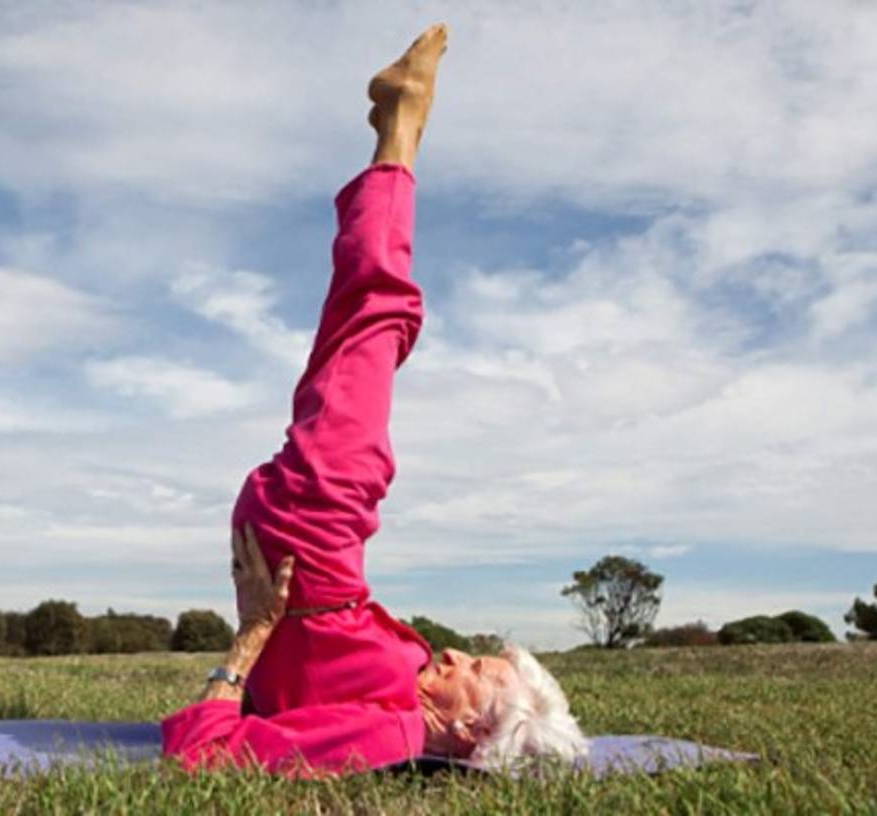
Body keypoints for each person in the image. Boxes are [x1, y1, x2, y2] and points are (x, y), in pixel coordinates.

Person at [161, 23, 587, 776]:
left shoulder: (395, 737)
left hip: (313, 530)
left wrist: (251, 637)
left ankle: (401, 131)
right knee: (362, 321)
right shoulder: (404, 707)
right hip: (317, 546)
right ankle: (396, 133)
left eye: (475, 673)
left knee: (380, 315)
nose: (455, 652)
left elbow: (205, 759)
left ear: (467, 733)